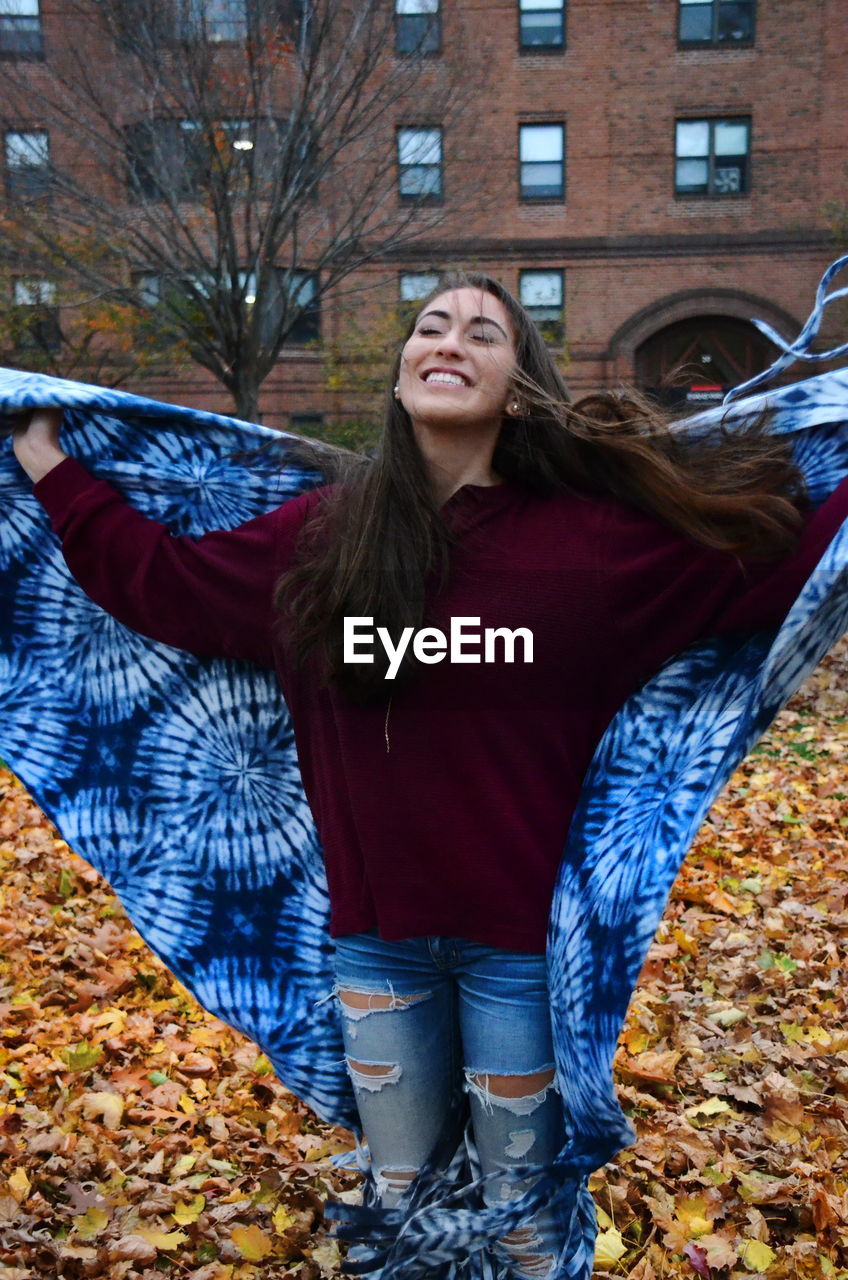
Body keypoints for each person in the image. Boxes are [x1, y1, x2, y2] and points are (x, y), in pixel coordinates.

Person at [11, 271, 848, 1279]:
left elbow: (780, 562)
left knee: (523, 1215)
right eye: (429, 324)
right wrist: (45, 460)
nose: (447, 341)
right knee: (399, 1207)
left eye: (483, 332)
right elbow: (162, 582)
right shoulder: (321, 538)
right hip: (378, 955)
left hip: (519, 963)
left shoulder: (592, 547)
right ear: (403, 368)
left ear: (516, 382)